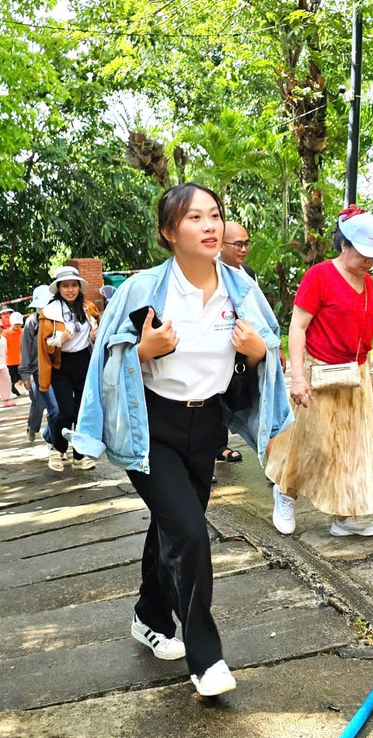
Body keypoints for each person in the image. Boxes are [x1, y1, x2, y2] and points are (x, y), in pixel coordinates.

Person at [70, 182, 290, 698]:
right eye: (195, 218)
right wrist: (144, 350)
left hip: (206, 427)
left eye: (214, 215)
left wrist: (258, 352)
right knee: (190, 533)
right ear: (169, 233)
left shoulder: (240, 288)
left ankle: (148, 616)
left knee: (172, 527)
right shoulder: (145, 290)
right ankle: (206, 657)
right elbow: (107, 361)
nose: (210, 226)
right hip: (153, 429)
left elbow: (266, 349)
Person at [264, 206, 373, 538]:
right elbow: (298, 327)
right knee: (310, 442)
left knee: (354, 447)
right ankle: (285, 495)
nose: (368, 262)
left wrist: (369, 372)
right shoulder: (319, 275)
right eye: (363, 254)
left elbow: (366, 331)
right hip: (319, 370)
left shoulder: (369, 283)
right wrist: (298, 378)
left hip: (355, 373)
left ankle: (345, 515)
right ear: (344, 244)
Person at [38, 265, 99, 471]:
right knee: (65, 410)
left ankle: (79, 455)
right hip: (60, 364)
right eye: (65, 286)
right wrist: (58, 340)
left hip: (84, 361)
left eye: (74, 285)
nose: (70, 290)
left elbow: (98, 331)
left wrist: (94, 336)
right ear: (59, 289)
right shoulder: (50, 312)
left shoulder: (88, 308)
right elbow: (44, 345)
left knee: (83, 410)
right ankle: (58, 449)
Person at [215, 219, 257, 467]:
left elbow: (260, 314)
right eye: (238, 244)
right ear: (220, 245)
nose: (243, 249)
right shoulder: (208, 273)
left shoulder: (248, 274)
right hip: (216, 352)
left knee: (242, 402)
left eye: (246, 244)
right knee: (209, 408)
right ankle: (210, 454)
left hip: (243, 353)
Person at [18, 285, 57, 444]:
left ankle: (50, 435)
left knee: (56, 407)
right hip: (37, 370)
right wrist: (25, 374)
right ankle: (32, 427)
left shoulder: (58, 319)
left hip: (56, 368)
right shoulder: (31, 322)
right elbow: (25, 349)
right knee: (39, 403)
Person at [3, 310, 25, 394]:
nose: (18, 326)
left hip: (21, 360)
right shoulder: (5, 334)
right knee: (12, 379)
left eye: (19, 324)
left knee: (22, 377)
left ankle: (20, 389)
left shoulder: (23, 332)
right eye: (16, 324)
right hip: (9, 360)